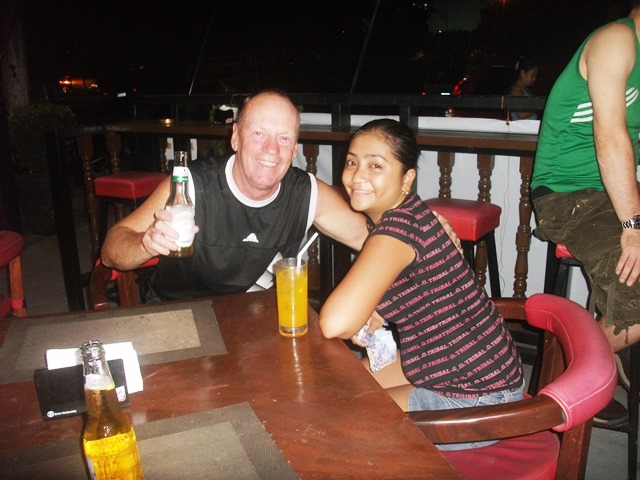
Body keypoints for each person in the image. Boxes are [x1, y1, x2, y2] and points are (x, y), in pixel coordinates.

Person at [100, 90, 459, 300]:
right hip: (180, 318)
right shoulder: (191, 185)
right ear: (236, 137)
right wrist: (146, 243)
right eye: (259, 134)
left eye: (284, 138)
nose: (271, 149)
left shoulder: (306, 192)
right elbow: (112, 249)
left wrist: (421, 230)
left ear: (294, 147)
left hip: (255, 327)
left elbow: (377, 241)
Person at [319, 119, 524, 451]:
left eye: (375, 165)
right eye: (352, 162)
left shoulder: (396, 231)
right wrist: (374, 312)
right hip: (469, 371)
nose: (357, 176)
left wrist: (359, 315)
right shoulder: (412, 213)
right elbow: (416, 290)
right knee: (338, 387)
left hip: (478, 399)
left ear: (407, 178)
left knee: (339, 422)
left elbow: (334, 323)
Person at [531, 2, 640, 426]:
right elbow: (609, 134)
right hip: (567, 194)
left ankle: (603, 365)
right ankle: (568, 378)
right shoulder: (617, 40)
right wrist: (633, 225)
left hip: (611, 193)